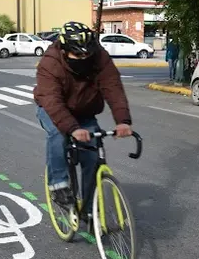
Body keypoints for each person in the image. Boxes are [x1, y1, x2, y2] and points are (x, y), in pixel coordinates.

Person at [34, 21, 133, 214]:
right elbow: (51, 101)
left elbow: (112, 87)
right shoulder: (50, 63)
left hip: (85, 111)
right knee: (58, 134)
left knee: (92, 157)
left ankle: (89, 209)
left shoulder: (99, 57)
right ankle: (59, 185)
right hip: (53, 109)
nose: (84, 58)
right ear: (64, 52)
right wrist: (72, 128)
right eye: (78, 55)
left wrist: (123, 120)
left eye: (87, 54)